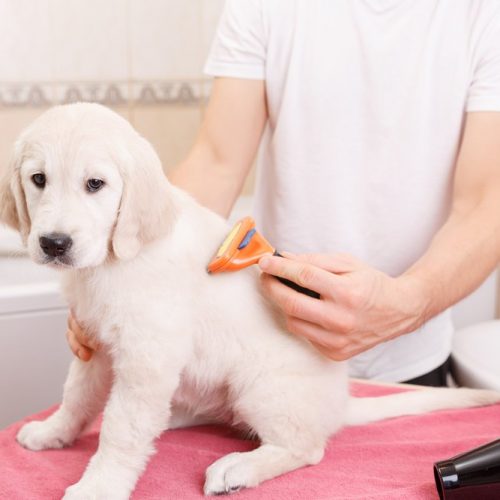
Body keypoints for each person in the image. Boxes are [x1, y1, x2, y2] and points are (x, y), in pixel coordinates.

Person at [66, 0, 500, 386]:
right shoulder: (264, 6)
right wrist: (129, 273)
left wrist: (405, 305)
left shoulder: (484, 14)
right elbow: (217, 162)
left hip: (411, 363)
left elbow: (484, 204)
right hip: (269, 356)